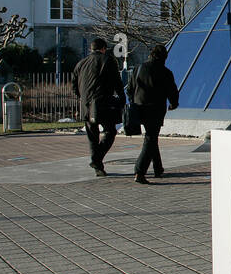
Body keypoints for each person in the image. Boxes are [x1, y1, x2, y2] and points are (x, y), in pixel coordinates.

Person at [72, 38, 125, 177]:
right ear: (103, 48)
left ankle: (98, 166)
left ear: (91, 49)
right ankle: (96, 160)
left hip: (86, 104)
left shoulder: (81, 63)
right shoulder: (108, 60)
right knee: (110, 131)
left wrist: (82, 97)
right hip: (103, 103)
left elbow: (74, 85)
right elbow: (117, 82)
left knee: (92, 136)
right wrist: (122, 98)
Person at [128, 43, 179, 184]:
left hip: (139, 107)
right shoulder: (165, 72)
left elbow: (130, 89)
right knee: (150, 138)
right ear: (164, 57)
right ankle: (139, 171)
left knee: (151, 138)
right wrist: (173, 104)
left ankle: (158, 168)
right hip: (155, 109)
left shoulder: (138, 69)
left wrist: (134, 101)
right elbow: (172, 91)